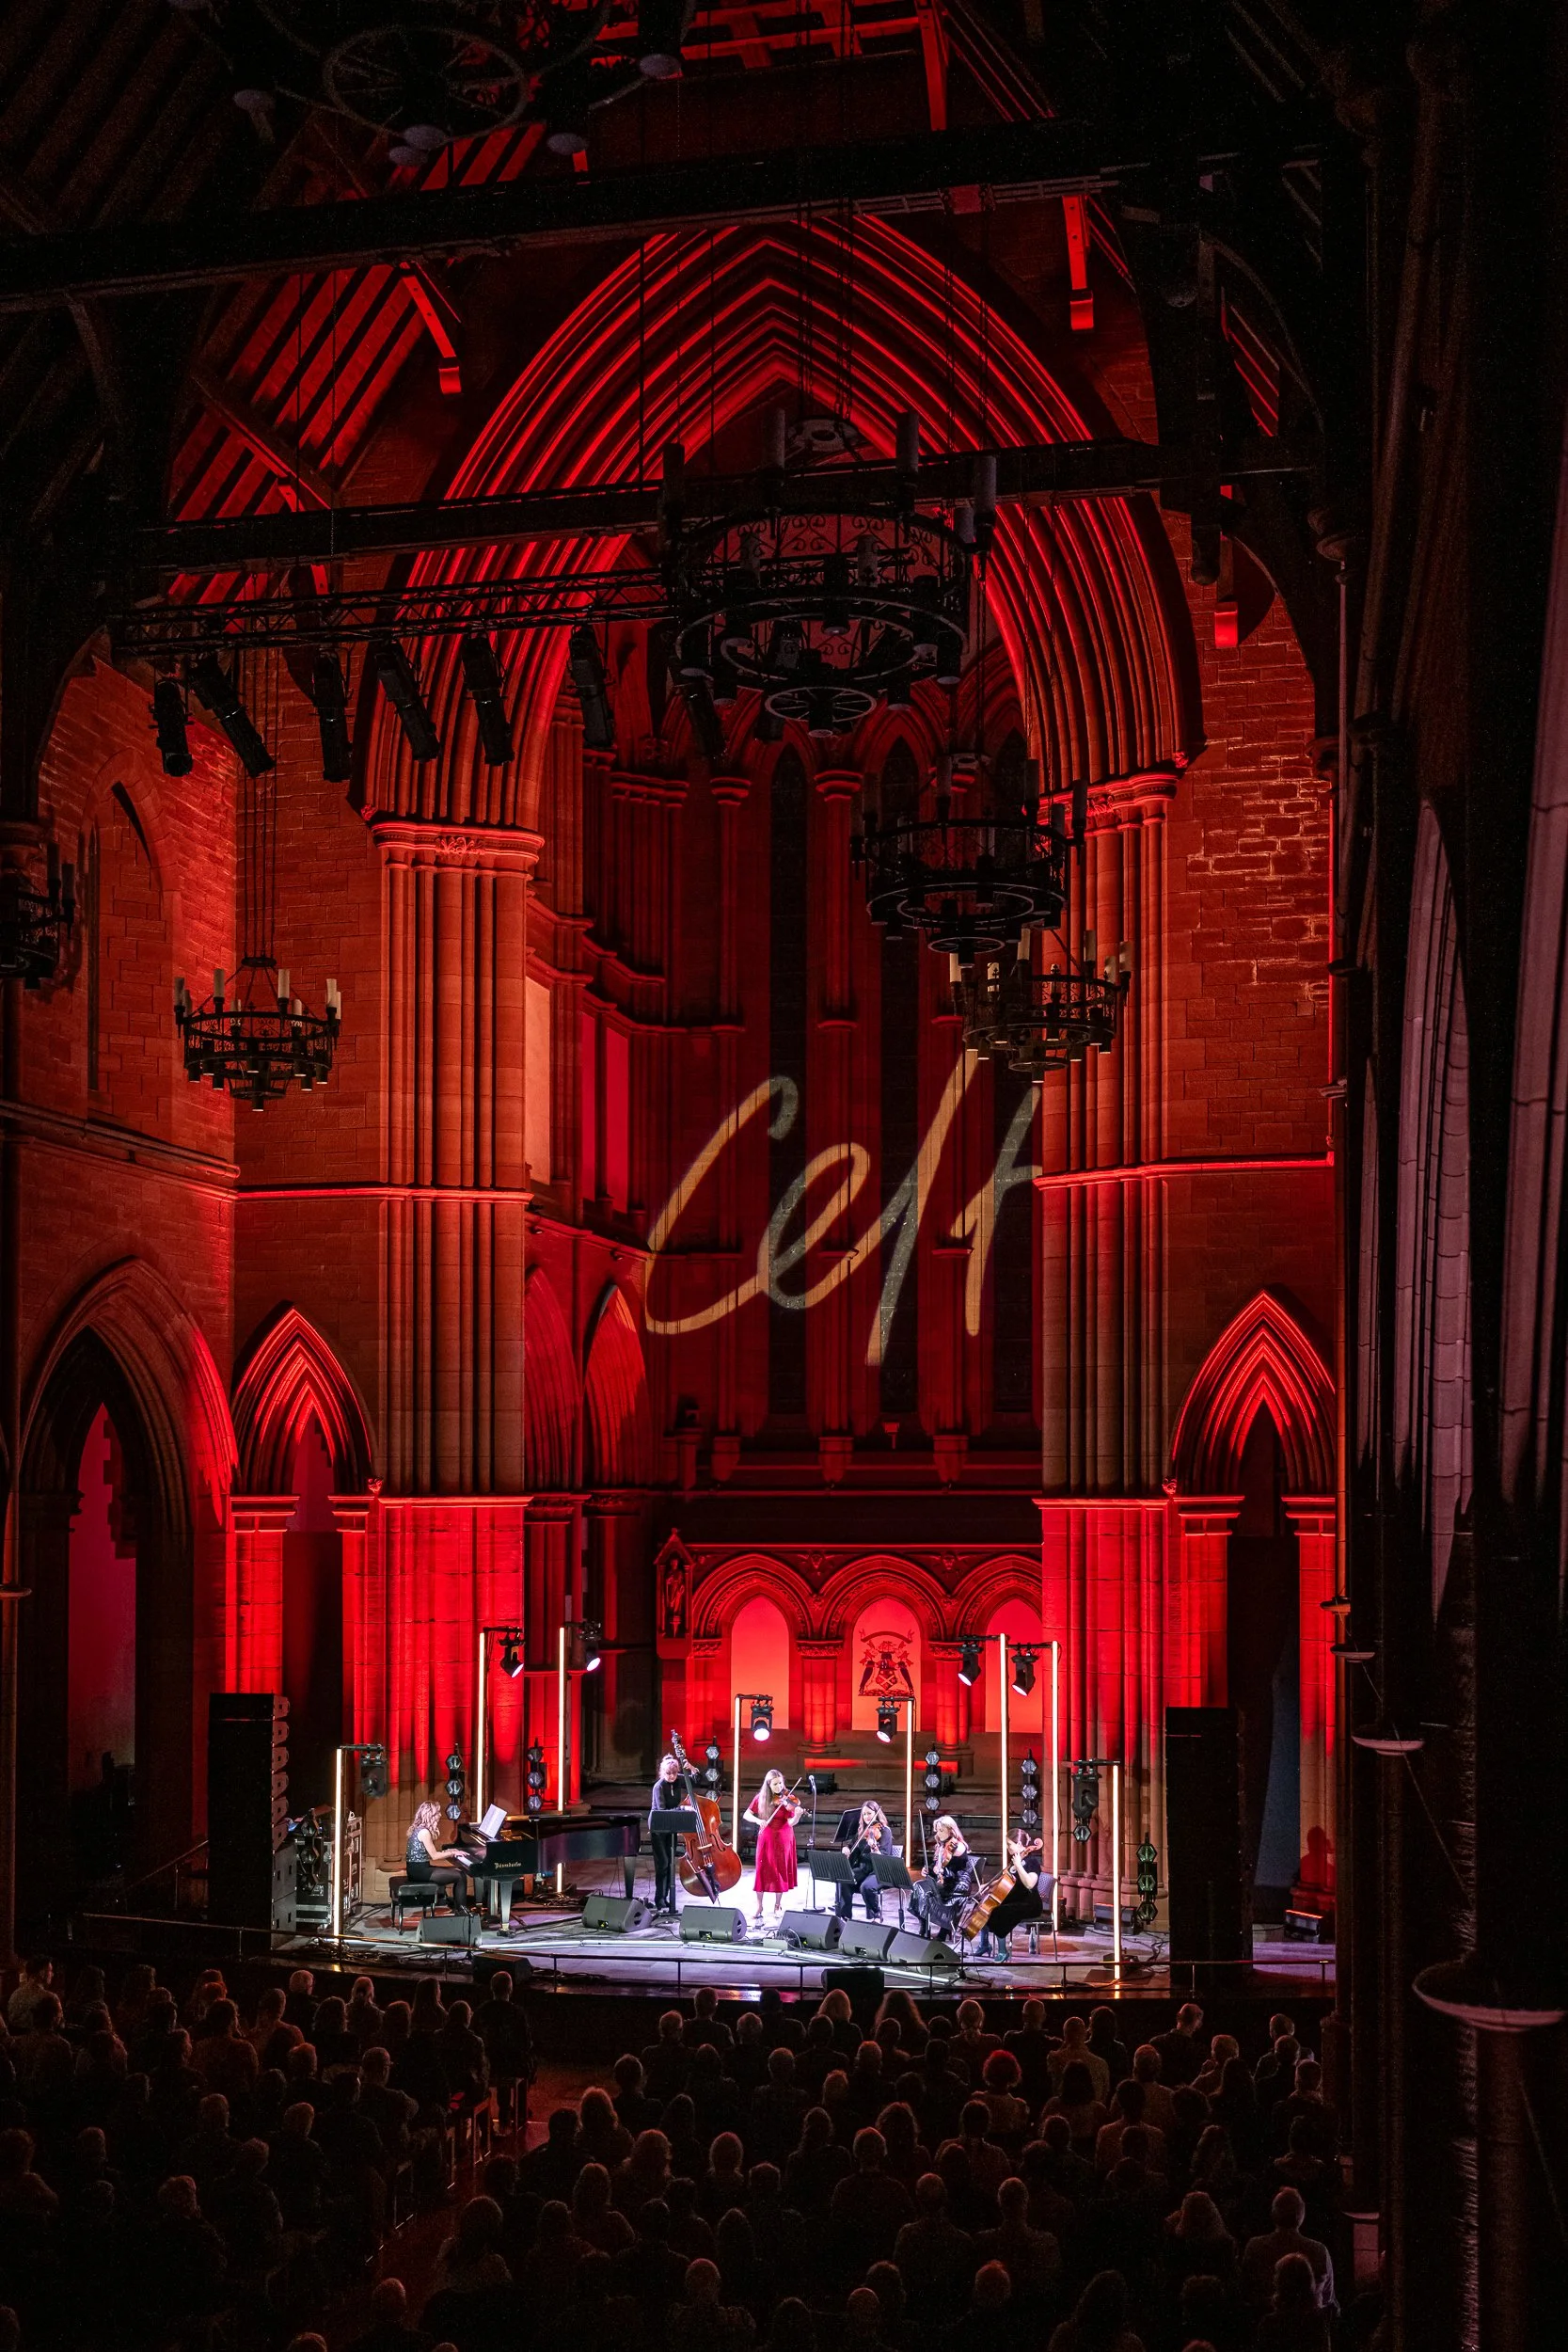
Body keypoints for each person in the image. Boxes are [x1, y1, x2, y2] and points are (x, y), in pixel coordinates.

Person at [651, 1753, 718, 1914]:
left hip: (672, 1826)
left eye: (675, 1773)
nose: (672, 1776)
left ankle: (666, 1899)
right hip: (659, 1828)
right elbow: (662, 1811)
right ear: (662, 1773)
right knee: (663, 1864)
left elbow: (696, 1780)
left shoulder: (678, 1779)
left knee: (670, 1864)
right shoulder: (659, 1786)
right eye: (668, 1774)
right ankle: (659, 1899)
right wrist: (683, 1808)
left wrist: (692, 1768)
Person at [970, 1835, 1048, 1959]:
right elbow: (1005, 1879)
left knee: (997, 1911)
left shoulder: (1032, 1862)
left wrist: (1018, 1866)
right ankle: (984, 1944)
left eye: (1009, 1844)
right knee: (982, 1905)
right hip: (1016, 1898)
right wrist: (988, 1885)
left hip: (1029, 1903)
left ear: (1020, 1845)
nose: (1007, 1847)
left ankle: (1002, 1951)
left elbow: (1030, 1884)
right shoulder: (1016, 1859)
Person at [744, 1771, 802, 1932]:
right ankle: (759, 1906)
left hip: (784, 1837)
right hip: (766, 1837)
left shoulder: (788, 1800)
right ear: (768, 1785)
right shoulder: (760, 1798)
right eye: (775, 1784)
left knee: (780, 1871)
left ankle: (778, 1905)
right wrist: (758, 1820)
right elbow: (746, 1814)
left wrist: (797, 1816)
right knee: (762, 1871)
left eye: (781, 1783)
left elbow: (790, 1822)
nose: (780, 1786)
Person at [911, 1818, 978, 1943]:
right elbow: (937, 1865)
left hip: (958, 1883)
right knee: (917, 1888)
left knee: (927, 1893)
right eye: (937, 1831)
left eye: (941, 1831)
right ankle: (924, 1925)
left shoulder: (958, 1847)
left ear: (951, 1831)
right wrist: (928, 1870)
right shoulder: (942, 1845)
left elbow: (954, 1871)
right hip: (946, 1881)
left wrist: (942, 1871)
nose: (938, 1834)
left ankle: (944, 1930)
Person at [404, 1799, 481, 1908]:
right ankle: (461, 1912)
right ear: (430, 1815)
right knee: (460, 1876)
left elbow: (431, 1854)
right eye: (437, 1813)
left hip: (416, 1869)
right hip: (420, 1872)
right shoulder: (424, 1832)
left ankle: (459, 1909)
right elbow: (434, 1856)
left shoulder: (418, 1829)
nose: (440, 1815)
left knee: (457, 1872)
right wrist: (452, 1853)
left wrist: (449, 1851)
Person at [837, 1802, 896, 1924]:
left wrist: (874, 1848)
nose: (866, 1817)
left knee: (867, 1886)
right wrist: (847, 1849)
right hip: (863, 1868)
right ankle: (844, 1916)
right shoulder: (862, 1831)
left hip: (879, 1870)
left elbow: (884, 1857)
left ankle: (876, 1915)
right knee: (844, 1879)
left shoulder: (885, 1831)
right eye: (864, 1814)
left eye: (869, 1813)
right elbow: (852, 1846)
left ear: (876, 1813)